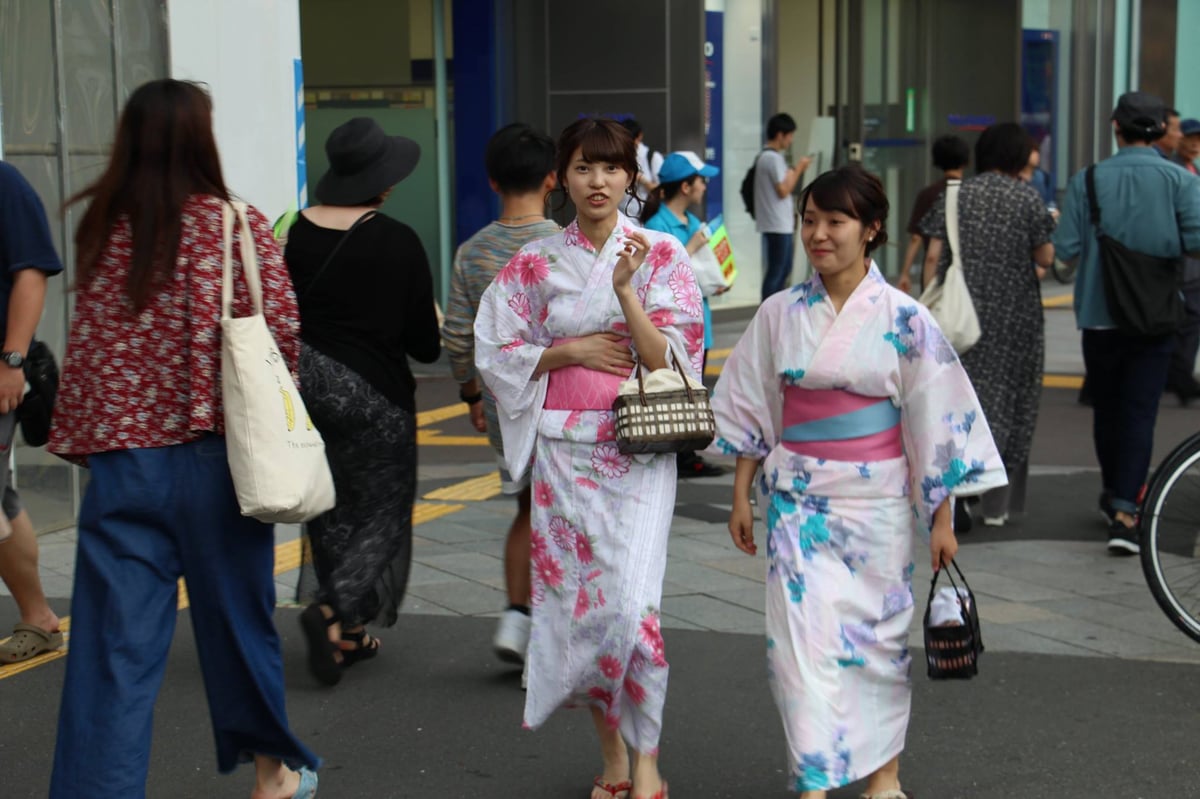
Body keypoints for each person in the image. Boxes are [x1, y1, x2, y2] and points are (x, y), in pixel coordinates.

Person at [46, 78, 319, 799]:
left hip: (125, 463)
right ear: (202, 139)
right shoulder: (237, 223)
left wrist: (90, 440)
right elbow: (281, 332)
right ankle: (274, 774)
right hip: (218, 459)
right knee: (239, 625)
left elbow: (92, 347)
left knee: (111, 650)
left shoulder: (105, 225)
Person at [710, 164, 1005, 799]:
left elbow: (934, 415)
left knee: (877, 645)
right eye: (809, 220)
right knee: (799, 651)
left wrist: (943, 518)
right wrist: (741, 490)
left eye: (835, 221)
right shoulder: (779, 313)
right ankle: (814, 778)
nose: (818, 233)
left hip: (878, 507)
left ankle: (884, 778)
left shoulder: (904, 317)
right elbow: (752, 401)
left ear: (871, 230)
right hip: (798, 504)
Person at [475, 117, 704, 799]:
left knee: (634, 610)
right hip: (564, 455)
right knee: (586, 612)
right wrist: (568, 351)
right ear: (560, 177)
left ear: (633, 176)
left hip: (635, 450)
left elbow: (674, 357)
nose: (597, 181)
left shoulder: (661, 251)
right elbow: (495, 348)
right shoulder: (536, 263)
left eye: (611, 168)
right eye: (583, 167)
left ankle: (649, 760)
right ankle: (612, 757)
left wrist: (628, 292)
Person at [285, 116, 441, 685]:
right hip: (377, 395)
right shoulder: (397, 240)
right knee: (382, 510)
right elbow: (424, 346)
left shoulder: (290, 234)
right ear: (384, 180)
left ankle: (346, 634)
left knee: (328, 505)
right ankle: (331, 607)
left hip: (306, 393)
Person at [1054, 91, 1200, 555]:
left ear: (1115, 127)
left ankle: (1113, 490)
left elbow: (1065, 254)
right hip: (1157, 313)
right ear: (1160, 131)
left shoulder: (1087, 180)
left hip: (1100, 315)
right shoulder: (1181, 180)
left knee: (1108, 409)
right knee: (1140, 412)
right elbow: (1196, 242)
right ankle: (1124, 511)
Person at [442, 122, 560, 668]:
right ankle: (547, 634)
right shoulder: (567, 246)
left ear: (492, 182)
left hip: (504, 402)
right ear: (554, 179)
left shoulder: (472, 252)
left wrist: (470, 395)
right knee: (563, 512)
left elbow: (459, 334)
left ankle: (517, 613)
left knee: (526, 506)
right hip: (565, 398)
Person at [919, 123, 1056, 528]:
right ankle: (995, 503)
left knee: (958, 399)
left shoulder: (954, 195)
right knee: (1011, 401)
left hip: (960, 316)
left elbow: (932, 255)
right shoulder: (1028, 198)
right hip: (1015, 317)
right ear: (1017, 157)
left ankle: (954, 491)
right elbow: (1046, 258)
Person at [0, 162, 64, 666]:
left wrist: (12, 360)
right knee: (0, 500)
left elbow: (31, 274)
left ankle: (38, 617)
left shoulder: (5, 183)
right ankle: (38, 616)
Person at [640, 150, 725, 478]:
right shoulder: (656, 224)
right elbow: (655, 273)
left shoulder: (692, 223)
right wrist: (690, 248)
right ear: (686, 187)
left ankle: (686, 454)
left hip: (700, 321)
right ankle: (676, 454)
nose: (705, 185)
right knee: (668, 386)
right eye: (701, 180)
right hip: (666, 325)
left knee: (694, 388)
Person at [897, 135, 968, 294]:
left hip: (936, 273)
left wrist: (905, 272)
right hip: (967, 274)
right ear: (966, 162)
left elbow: (916, 238)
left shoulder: (928, 195)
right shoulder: (971, 195)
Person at [755, 113, 812, 300]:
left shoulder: (767, 157)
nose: (791, 141)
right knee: (778, 270)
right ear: (780, 135)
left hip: (777, 223)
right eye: (790, 136)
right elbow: (784, 190)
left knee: (781, 268)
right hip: (777, 224)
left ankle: (773, 309)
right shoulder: (772, 158)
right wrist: (799, 169)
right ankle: (769, 310)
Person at [1167, 118, 1200, 404]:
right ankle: (1182, 379)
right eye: (1189, 138)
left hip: (1192, 263)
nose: (1194, 144)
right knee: (1188, 318)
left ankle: (1180, 376)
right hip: (1183, 261)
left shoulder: (1192, 170)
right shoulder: (1176, 171)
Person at [618, 117, 664, 218]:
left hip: (647, 219)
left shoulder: (652, 157)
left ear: (639, 137)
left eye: (630, 140)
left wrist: (639, 178)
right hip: (620, 217)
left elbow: (662, 193)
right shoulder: (617, 156)